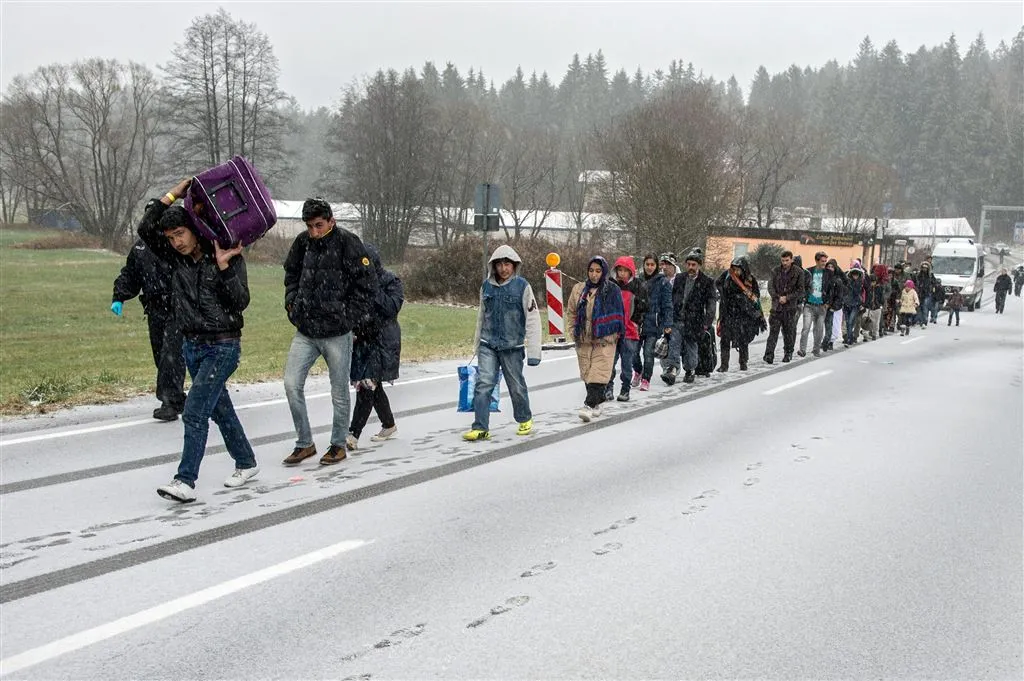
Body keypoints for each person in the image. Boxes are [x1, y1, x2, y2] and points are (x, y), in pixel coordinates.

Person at [138, 179, 259, 503]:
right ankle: (246, 462)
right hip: (192, 345)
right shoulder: (175, 259)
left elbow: (240, 301)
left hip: (222, 345)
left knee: (194, 411)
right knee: (220, 410)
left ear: (193, 229)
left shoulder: (225, 250)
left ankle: (185, 480)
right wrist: (173, 194)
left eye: (180, 234)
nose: (175, 242)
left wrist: (223, 268)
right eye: (171, 238)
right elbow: (146, 228)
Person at [281, 198, 379, 467]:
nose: (314, 232)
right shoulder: (301, 243)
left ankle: (337, 444)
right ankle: (304, 443)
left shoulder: (349, 243)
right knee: (291, 384)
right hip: (306, 329)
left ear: (331, 221)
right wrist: (292, 303)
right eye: (310, 226)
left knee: (338, 391)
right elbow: (290, 273)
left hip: (337, 331)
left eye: (319, 225)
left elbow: (367, 284)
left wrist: (349, 317)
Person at [463, 245, 542, 441]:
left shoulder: (523, 287)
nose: (503, 269)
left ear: (514, 265)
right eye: (499, 265)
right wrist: (477, 346)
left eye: (507, 264)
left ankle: (524, 418)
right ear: (493, 266)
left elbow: (532, 319)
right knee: (483, 384)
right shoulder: (486, 287)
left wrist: (534, 352)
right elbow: (481, 317)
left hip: (512, 347)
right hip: (488, 344)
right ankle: (480, 426)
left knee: (516, 385)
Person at [111, 238, 186, 421]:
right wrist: (119, 296)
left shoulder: (176, 241)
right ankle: (177, 397)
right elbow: (131, 274)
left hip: (179, 306)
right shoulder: (141, 246)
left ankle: (170, 402)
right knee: (161, 354)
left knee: (172, 354)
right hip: (154, 308)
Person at [346, 245, 403, 451]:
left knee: (367, 385)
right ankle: (388, 425)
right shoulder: (354, 284)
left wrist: (373, 289)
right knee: (372, 384)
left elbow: (391, 307)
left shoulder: (390, 281)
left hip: (383, 341)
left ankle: (353, 434)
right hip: (362, 340)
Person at [566, 257, 624, 422]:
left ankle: (589, 405)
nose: (594, 274)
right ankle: (597, 401)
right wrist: (573, 331)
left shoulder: (612, 290)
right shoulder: (579, 289)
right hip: (583, 338)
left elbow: (619, 315)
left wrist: (610, 334)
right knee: (587, 373)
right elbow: (571, 312)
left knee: (598, 374)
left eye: (598, 271)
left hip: (604, 339)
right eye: (591, 270)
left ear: (603, 272)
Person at [671, 250, 718, 383]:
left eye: (694, 265)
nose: (691, 267)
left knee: (691, 346)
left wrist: (706, 323)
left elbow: (711, 304)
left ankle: (690, 370)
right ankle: (672, 369)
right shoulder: (679, 278)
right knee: (674, 343)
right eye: (689, 264)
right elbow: (673, 297)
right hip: (678, 317)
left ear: (699, 265)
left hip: (695, 320)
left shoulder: (707, 282)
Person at [715, 256, 766, 371]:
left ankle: (743, 362)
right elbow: (718, 284)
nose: (736, 271)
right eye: (734, 269)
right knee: (725, 339)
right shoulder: (727, 276)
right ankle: (724, 365)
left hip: (743, 314)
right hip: (728, 313)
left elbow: (755, 297)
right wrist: (724, 295)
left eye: (738, 269)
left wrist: (742, 299)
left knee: (743, 340)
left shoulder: (750, 280)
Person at [632, 254, 672, 392]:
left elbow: (667, 305)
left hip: (654, 323)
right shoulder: (637, 281)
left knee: (648, 353)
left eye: (652, 265)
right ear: (643, 265)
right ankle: (638, 371)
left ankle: (646, 379)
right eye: (647, 264)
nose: (649, 267)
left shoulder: (663, 282)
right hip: (637, 322)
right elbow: (631, 301)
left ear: (657, 266)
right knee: (633, 352)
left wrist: (667, 324)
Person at [606, 256, 643, 402]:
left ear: (631, 272)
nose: (622, 273)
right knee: (610, 361)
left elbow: (643, 307)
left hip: (630, 331)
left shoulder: (637, 287)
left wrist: (635, 321)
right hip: (614, 331)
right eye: (619, 270)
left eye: (625, 271)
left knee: (627, 362)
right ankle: (608, 387)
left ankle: (625, 388)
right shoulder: (610, 286)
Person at [764, 250, 805, 363]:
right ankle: (769, 355)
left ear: (791, 260)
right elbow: (770, 286)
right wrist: (778, 297)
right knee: (773, 333)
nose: (785, 263)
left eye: (787, 260)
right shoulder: (776, 271)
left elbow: (801, 290)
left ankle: (788, 353)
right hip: (777, 307)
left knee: (788, 332)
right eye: (783, 261)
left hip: (790, 307)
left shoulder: (798, 272)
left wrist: (788, 297)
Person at [798, 251, 831, 357]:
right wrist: (804, 297)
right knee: (806, 328)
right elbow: (803, 286)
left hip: (822, 306)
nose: (824, 263)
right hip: (809, 305)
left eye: (825, 261)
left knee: (819, 329)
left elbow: (831, 289)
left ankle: (816, 349)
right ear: (816, 260)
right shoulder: (809, 272)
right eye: (822, 261)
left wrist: (828, 302)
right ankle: (802, 350)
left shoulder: (828, 273)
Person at [658, 253, 682, 384]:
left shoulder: (681, 279)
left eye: (666, 264)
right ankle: (666, 368)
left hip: (678, 317)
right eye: (662, 264)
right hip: (662, 317)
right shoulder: (660, 280)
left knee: (674, 341)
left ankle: (672, 368)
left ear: (673, 266)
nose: (664, 267)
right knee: (664, 343)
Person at [842, 266, 867, 346]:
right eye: (853, 274)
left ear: (859, 275)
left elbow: (861, 293)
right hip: (847, 304)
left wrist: (862, 304)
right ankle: (849, 338)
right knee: (848, 322)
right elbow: (844, 292)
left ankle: (849, 339)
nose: (855, 276)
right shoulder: (847, 282)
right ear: (851, 275)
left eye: (856, 275)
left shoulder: (861, 283)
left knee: (850, 322)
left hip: (855, 305)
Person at [914, 261, 939, 327]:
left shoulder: (930, 276)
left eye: (926, 268)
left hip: (927, 294)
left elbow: (935, 283)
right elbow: (915, 282)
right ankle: (919, 320)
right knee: (918, 307)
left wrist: (932, 289)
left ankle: (924, 321)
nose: (924, 269)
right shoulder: (918, 275)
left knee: (925, 307)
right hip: (919, 293)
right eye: (923, 267)